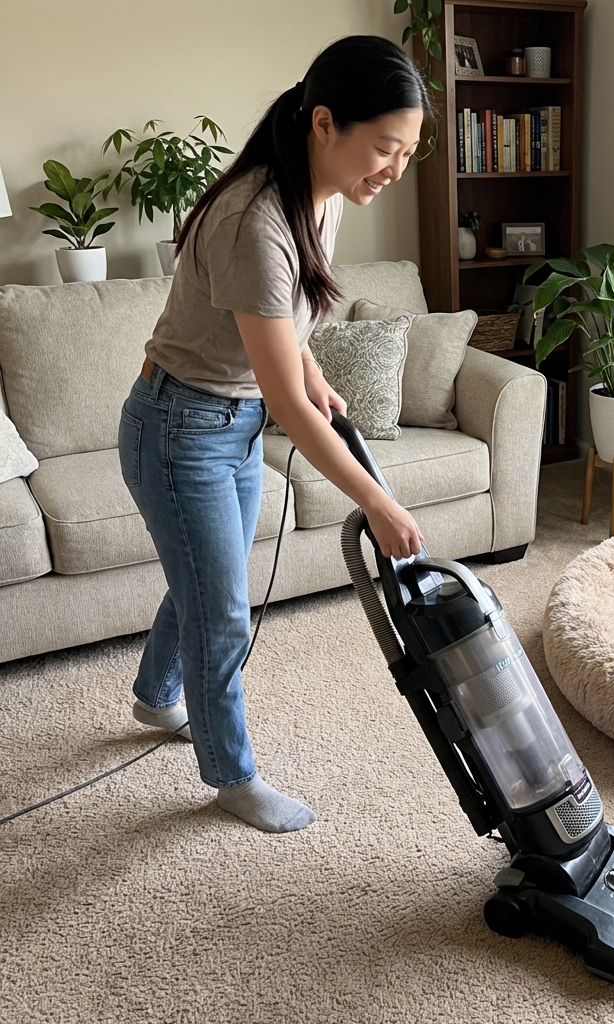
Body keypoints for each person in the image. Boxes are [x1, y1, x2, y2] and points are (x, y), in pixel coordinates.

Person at [118, 36, 427, 833]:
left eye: (407, 152)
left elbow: (281, 329)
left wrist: (312, 370)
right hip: (178, 428)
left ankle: (156, 696)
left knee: (204, 579)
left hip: (232, 417)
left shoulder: (321, 194)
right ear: (325, 122)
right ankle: (232, 777)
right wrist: (380, 506)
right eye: (385, 148)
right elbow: (288, 408)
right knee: (221, 606)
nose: (393, 169)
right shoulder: (256, 218)